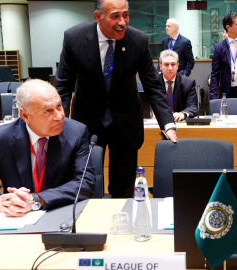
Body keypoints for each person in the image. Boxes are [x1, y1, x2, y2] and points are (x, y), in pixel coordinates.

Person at [54, 0, 177, 198]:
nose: (122, 22)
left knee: (123, 191)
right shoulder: (74, 38)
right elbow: (63, 86)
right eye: (115, 16)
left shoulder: (138, 40)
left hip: (125, 126)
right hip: (87, 123)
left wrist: (168, 123)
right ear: (98, 17)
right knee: (85, 188)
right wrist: (57, 122)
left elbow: (153, 85)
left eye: (126, 15)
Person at [0, 79, 95, 216]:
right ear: (25, 115)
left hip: (60, 212)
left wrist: (37, 200)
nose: (59, 116)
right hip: (16, 216)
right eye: (48, 111)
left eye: (59, 106)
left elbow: (85, 182)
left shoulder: (76, 133)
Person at [158, 49, 198, 121]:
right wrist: (152, 112)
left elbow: (192, 107)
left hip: (179, 123)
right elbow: (147, 105)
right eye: (166, 64)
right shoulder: (154, 83)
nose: (170, 68)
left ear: (177, 66)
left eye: (173, 64)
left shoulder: (188, 83)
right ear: (160, 66)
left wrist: (183, 114)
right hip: (158, 122)